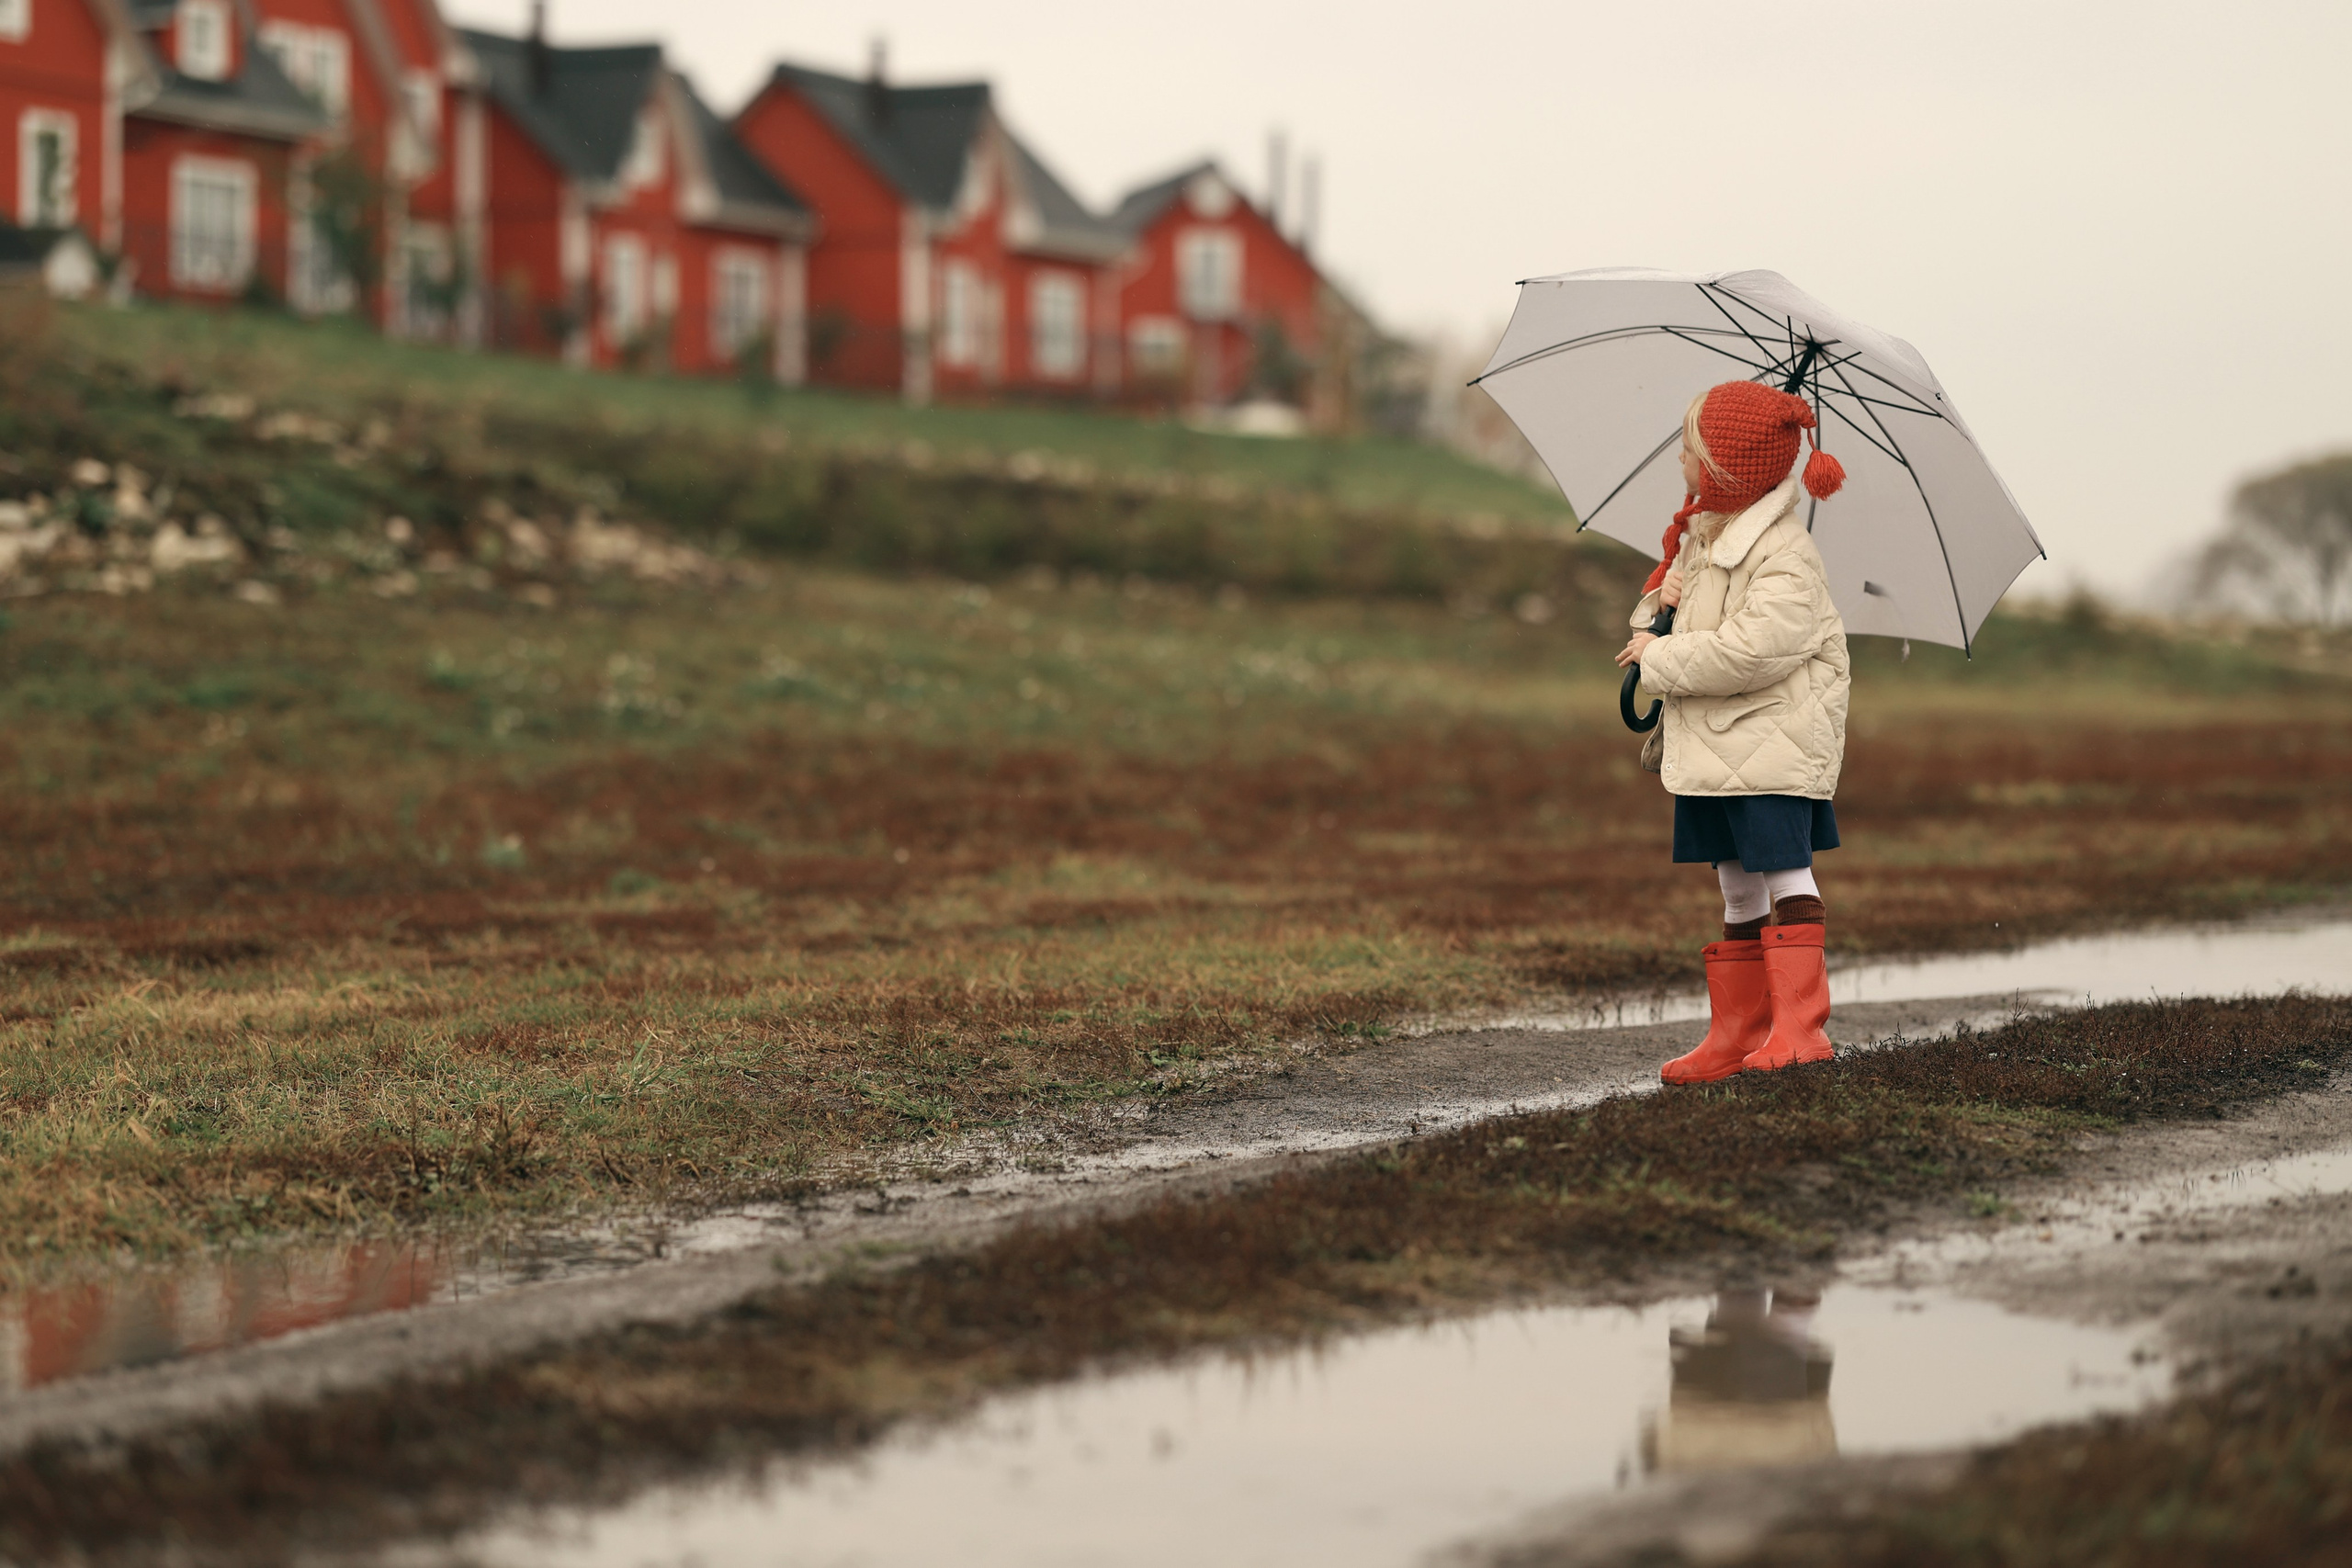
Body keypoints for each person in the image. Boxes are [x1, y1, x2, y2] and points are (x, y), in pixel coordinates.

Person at [1614, 381, 1849, 1084]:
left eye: (1691, 447)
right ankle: (1738, 1031)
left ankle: (1801, 1028)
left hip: (1770, 744)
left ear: (1726, 467)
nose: (1681, 459)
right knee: (1736, 883)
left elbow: (1751, 652)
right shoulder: (1703, 539)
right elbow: (1663, 627)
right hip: (1718, 746)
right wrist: (1662, 599)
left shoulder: (1785, 553)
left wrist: (1660, 659)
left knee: (1784, 869)